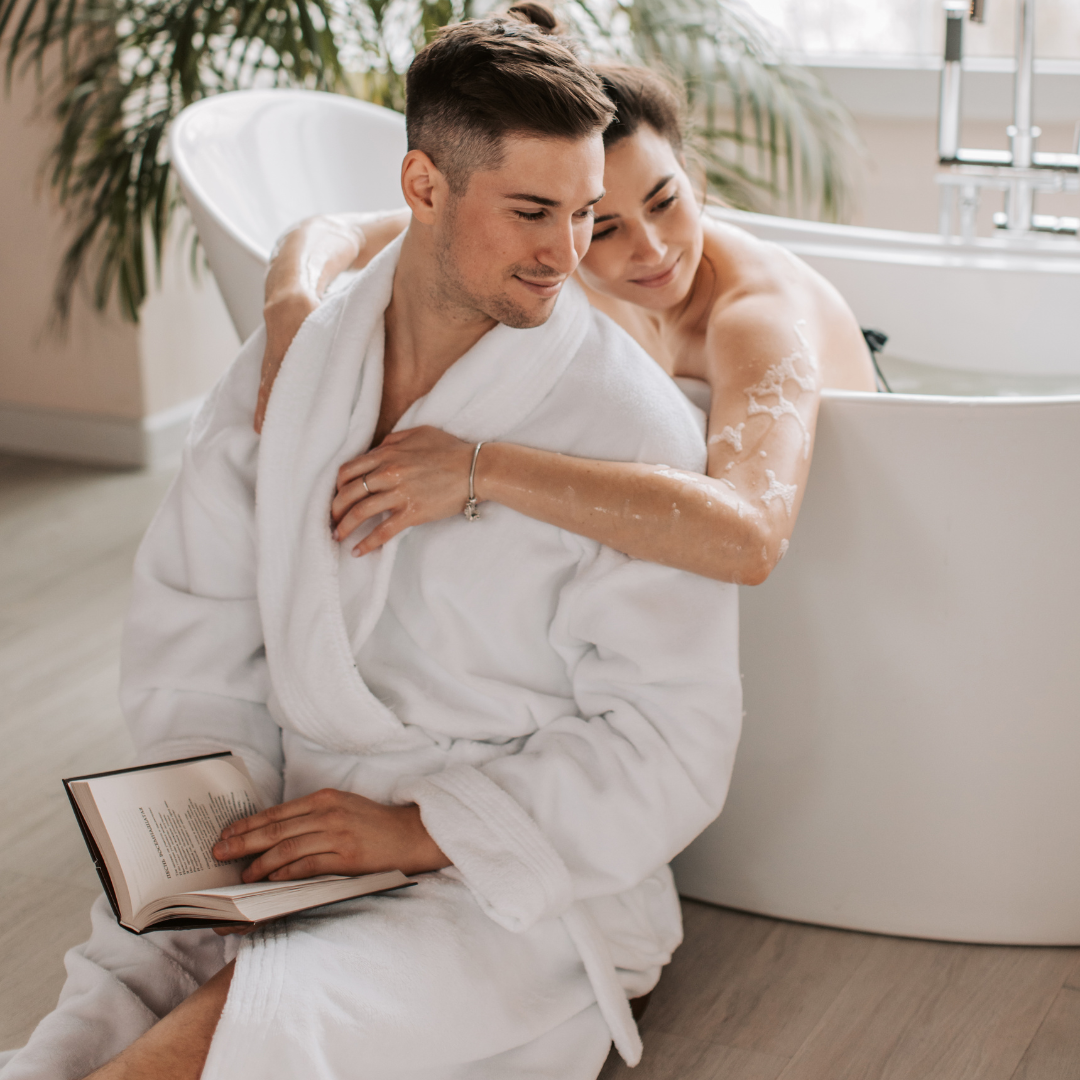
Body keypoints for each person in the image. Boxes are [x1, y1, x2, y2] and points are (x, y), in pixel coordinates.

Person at [1, 13, 742, 1080]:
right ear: (424, 185)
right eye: (532, 211)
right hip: (284, 820)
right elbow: (197, 617)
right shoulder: (302, 360)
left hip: (507, 870)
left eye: (583, 213)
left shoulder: (626, 428)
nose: (566, 255)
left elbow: (673, 742)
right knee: (107, 1011)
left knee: (250, 1029)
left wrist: (417, 830)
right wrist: (225, 810)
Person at [256, 32, 876, 587]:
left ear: (690, 173)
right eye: (602, 226)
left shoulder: (757, 315)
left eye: (665, 201)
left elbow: (752, 542)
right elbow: (332, 232)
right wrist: (293, 313)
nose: (652, 250)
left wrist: (478, 469)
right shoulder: (555, 231)